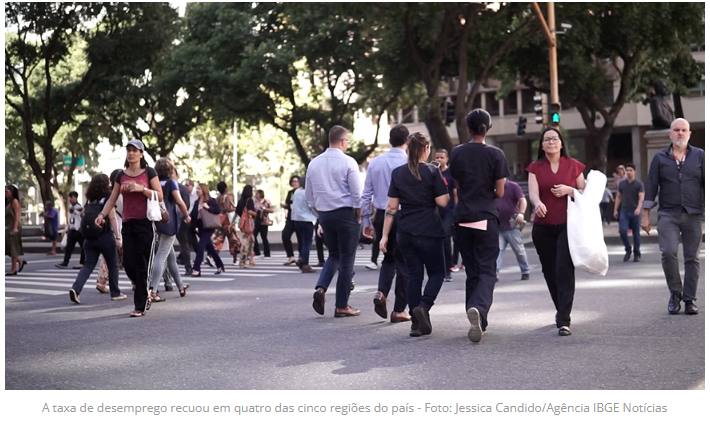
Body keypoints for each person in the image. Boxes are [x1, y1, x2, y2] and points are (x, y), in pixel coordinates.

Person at [380, 132, 449, 337]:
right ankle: (424, 306)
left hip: (405, 231)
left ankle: (415, 324)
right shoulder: (432, 172)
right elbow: (443, 202)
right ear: (426, 149)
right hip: (429, 230)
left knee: (413, 276)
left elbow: (391, 207)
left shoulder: (398, 173)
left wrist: (384, 236)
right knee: (437, 273)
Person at [450, 109, 509, 343]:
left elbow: (457, 186)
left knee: (472, 270)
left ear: (468, 128)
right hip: (485, 215)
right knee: (487, 270)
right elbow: (501, 191)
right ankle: (478, 308)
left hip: (462, 216)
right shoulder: (496, 154)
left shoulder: (457, 153)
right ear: (488, 128)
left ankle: (478, 321)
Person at [527, 128, 586, 336]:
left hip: (567, 227)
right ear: (541, 146)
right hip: (543, 227)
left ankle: (564, 319)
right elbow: (533, 193)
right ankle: (560, 309)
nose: (551, 142)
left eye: (555, 139)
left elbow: (586, 193)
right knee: (549, 271)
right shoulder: (535, 167)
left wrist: (570, 190)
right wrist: (538, 203)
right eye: (547, 140)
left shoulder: (574, 166)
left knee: (564, 269)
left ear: (561, 143)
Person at [642, 118, 704, 315]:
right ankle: (675, 294)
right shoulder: (660, 158)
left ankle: (689, 299)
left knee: (691, 258)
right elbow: (651, 186)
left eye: (683, 130)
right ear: (670, 134)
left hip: (693, 213)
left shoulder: (700, 156)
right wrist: (645, 215)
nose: (680, 133)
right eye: (676, 130)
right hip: (668, 213)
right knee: (668, 252)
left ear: (689, 133)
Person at [95, 139, 163, 317]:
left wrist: (142, 189)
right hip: (128, 224)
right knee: (129, 264)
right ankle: (145, 289)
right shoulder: (121, 176)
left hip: (145, 223)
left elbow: (160, 196)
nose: (131, 153)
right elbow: (112, 199)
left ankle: (139, 306)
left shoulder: (149, 172)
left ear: (141, 153)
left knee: (142, 265)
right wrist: (102, 215)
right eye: (129, 150)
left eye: (135, 150)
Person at [307, 125, 363, 317]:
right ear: (343, 141)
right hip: (346, 213)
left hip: (325, 214)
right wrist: (358, 216)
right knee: (347, 258)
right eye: (347, 141)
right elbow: (357, 195)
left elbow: (310, 196)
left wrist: (320, 215)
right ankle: (341, 305)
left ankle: (321, 288)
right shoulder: (349, 162)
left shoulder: (314, 163)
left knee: (334, 255)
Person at [361, 124, 411, 322]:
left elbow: (367, 194)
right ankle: (399, 309)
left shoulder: (375, 162)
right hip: (406, 214)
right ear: (407, 141)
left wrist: (366, 220)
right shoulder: (410, 161)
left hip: (383, 215)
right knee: (405, 263)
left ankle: (381, 292)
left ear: (390, 141)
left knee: (388, 259)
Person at [69, 174, 127, 304]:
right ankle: (115, 292)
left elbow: (84, 214)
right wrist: (118, 237)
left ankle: (76, 289)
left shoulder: (89, 199)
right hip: (105, 236)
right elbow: (112, 218)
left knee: (88, 265)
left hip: (89, 238)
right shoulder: (108, 198)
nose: (110, 184)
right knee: (113, 265)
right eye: (108, 182)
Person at [147, 158, 191, 301]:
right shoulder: (172, 183)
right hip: (169, 222)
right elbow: (179, 201)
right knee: (161, 256)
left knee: (170, 255)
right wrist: (186, 214)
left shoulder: (153, 182)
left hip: (156, 221)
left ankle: (180, 286)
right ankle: (152, 289)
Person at [96, 168, 124, 294]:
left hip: (110, 228)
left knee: (107, 257)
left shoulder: (111, 194)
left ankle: (101, 281)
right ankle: (135, 282)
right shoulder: (123, 193)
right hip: (121, 227)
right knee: (127, 256)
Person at [496, 180, 531, 280]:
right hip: (498, 225)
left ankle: (525, 270)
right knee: (497, 250)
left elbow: (522, 200)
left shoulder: (512, 186)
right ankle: (495, 273)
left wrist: (521, 213)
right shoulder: (493, 186)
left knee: (519, 250)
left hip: (512, 223)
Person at [191, 183, 225, 276]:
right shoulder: (196, 202)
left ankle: (196, 269)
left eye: (199, 189)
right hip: (201, 227)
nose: (197, 190)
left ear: (204, 190)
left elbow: (217, 210)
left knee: (201, 245)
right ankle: (219, 264)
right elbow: (193, 215)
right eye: (196, 189)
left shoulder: (211, 201)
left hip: (209, 226)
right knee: (209, 247)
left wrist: (208, 207)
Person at [614, 163, 644, 262]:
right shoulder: (622, 184)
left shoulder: (639, 184)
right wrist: (615, 209)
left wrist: (639, 208)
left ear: (634, 171)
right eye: (627, 170)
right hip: (624, 211)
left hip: (635, 211)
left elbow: (641, 198)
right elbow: (618, 197)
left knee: (636, 233)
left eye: (631, 170)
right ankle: (628, 249)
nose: (629, 172)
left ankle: (637, 253)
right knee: (622, 231)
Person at [434, 148, 457, 282]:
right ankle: (438, 269)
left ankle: (448, 269)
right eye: (437, 157)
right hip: (435, 211)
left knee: (446, 238)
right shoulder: (432, 173)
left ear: (447, 159)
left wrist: (456, 210)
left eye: (442, 157)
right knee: (435, 240)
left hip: (448, 211)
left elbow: (455, 194)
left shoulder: (450, 174)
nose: (439, 160)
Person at [291, 177, 318, 273]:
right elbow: (312, 206)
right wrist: (319, 215)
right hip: (307, 219)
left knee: (302, 241)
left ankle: (302, 258)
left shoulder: (297, 192)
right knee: (307, 242)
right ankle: (304, 261)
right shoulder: (308, 193)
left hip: (297, 219)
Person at [56, 191, 85, 269]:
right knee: (69, 247)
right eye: (70, 197)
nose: (70, 199)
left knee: (83, 247)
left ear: (76, 198)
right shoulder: (72, 207)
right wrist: (68, 228)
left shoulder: (79, 207)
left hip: (78, 230)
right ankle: (65, 262)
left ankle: (82, 262)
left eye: (72, 197)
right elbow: (71, 219)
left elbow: (80, 214)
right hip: (72, 230)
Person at [214, 181, 240, 264]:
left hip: (219, 219)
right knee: (233, 238)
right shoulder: (226, 197)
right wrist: (235, 209)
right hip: (227, 220)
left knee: (219, 239)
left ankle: (212, 256)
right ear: (225, 189)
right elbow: (227, 208)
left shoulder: (218, 197)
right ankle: (235, 259)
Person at [174, 172, 193, 275]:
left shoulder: (183, 189)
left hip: (180, 220)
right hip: (169, 220)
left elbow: (186, 205)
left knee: (184, 244)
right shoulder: (164, 185)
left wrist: (183, 217)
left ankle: (188, 266)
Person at [5, 185, 27, 276]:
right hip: (8, 227)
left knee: (13, 248)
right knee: (8, 248)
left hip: (14, 227)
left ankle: (13, 269)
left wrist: (15, 227)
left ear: (12, 192)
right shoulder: (7, 203)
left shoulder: (15, 202)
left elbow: (17, 215)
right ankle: (20, 261)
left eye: (7, 191)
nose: (5, 193)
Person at [281, 175, 303, 266]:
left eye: (296, 181)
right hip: (291, 218)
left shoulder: (302, 192)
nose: (294, 183)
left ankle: (302, 258)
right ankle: (291, 256)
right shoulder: (290, 193)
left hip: (300, 218)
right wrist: (284, 205)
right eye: (293, 181)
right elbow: (288, 204)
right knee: (285, 235)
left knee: (301, 239)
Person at [235, 185, 257, 268]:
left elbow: (237, 212)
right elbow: (250, 211)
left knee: (251, 240)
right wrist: (257, 213)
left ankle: (250, 259)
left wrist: (232, 222)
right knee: (246, 242)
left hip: (243, 223)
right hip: (249, 223)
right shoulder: (249, 200)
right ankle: (242, 261)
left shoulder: (240, 200)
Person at [253, 189, 273, 258]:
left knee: (264, 237)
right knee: (253, 236)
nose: (256, 195)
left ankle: (267, 253)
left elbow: (271, 210)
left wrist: (264, 208)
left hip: (264, 221)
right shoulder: (255, 202)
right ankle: (256, 251)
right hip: (256, 220)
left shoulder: (266, 202)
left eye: (257, 194)